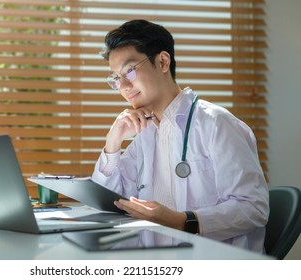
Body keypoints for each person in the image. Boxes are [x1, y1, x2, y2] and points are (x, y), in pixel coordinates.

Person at [91, 19, 269, 253]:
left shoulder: (216, 124)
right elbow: (110, 200)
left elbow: (253, 209)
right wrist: (112, 144)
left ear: (163, 61)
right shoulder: (145, 132)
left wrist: (182, 220)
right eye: (115, 78)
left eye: (130, 71)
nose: (123, 86)